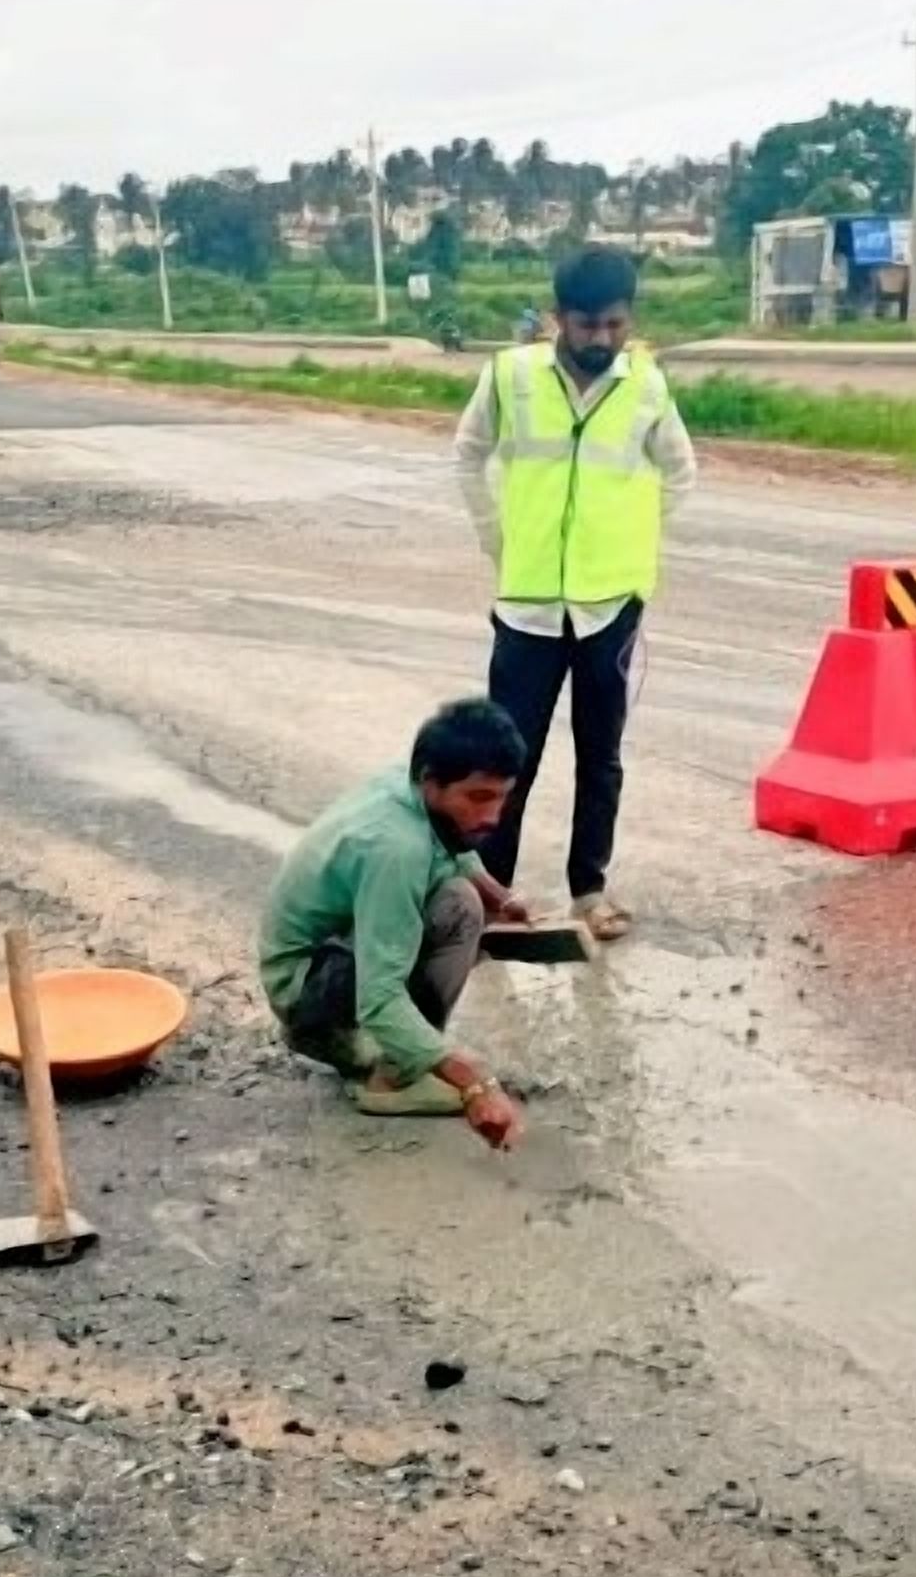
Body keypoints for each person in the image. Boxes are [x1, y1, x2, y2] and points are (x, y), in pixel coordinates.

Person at [454, 246, 696, 944]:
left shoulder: (646, 385)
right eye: (587, 324)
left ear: (630, 319)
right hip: (527, 605)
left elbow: (680, 473)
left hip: (609, 611)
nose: (601, 339)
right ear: (558, 317)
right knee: (507, 757)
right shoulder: (511, 376)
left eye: (615, 324)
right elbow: (467, 454)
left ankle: (589, 890)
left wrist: (629, 548)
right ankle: (491, 898)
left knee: (602, 755)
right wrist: (496, 539)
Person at [259, 700, 532, 1150]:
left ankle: (402, 1049)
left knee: (465, 896)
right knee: (459, 910)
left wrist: (500, 895)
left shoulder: (406, 783)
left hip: (324, 960)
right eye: (479, 798)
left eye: (503, 797)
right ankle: (391, 1076)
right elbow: (379, 998)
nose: (493, 817)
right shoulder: (396, 848)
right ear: (431, 783)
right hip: (309, 991)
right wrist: (474, 1081)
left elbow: (457, 844)